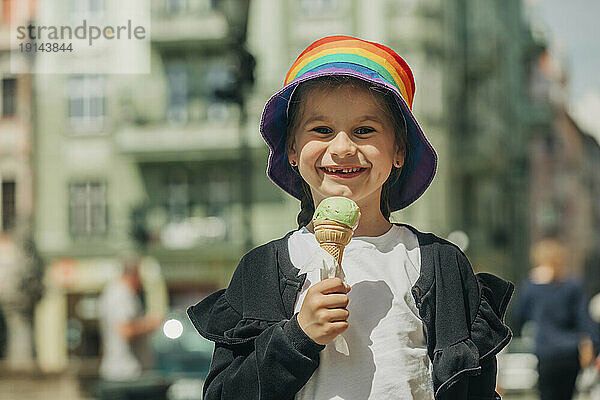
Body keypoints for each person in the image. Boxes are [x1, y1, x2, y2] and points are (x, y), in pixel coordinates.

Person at [188, 35, 514, 399]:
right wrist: (297, 336)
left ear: (399, 151)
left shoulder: (440, 264)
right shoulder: (261, 269)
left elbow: (476, 389)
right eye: (321, 130)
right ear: (293, 150)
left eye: (365, 131)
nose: (342, 148)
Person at [512, 238, 600, 400]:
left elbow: (518, 316)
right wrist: (594, 346)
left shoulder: (531, 286)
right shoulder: (572, 285)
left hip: (546, 352)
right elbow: (584, 320)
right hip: (570, 352)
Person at [97, 255, 163, 399]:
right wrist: (150, 323)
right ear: (134, 273)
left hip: (123, 374)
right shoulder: (121, 294)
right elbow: (125, 329)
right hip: (126, 375)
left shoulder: (115, 292)